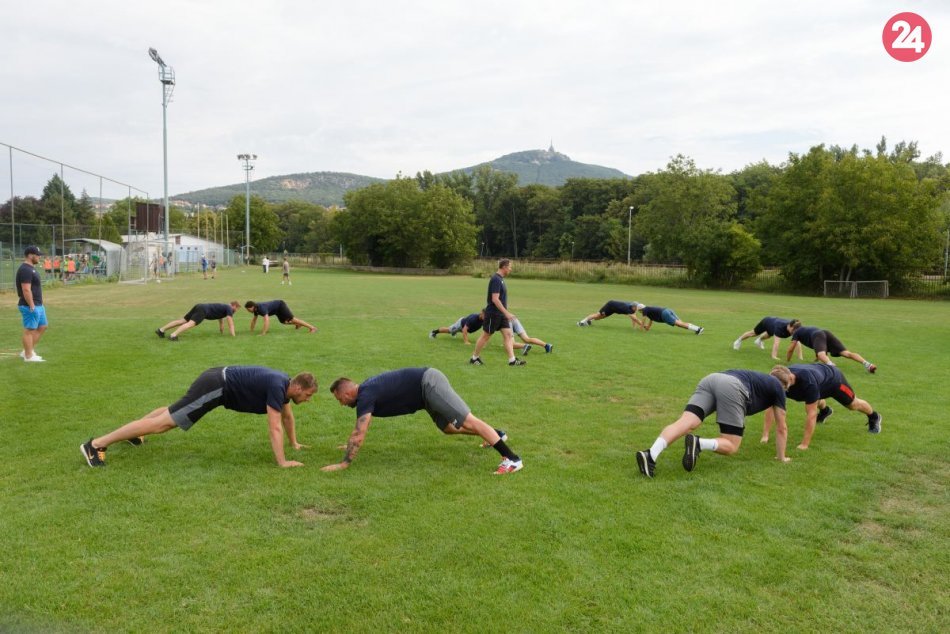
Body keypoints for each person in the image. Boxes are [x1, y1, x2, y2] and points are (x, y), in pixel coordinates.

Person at [80, 366, 317, 468]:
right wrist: (282, 462)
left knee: (172, 411)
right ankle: (96, 444)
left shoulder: (283, 385)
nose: (307, 400)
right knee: (164, 424)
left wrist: (294, 443)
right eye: (307, 395)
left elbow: (287, 418)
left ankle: (135, 434)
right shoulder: (278, 386)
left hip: (216, 379)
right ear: (297, 387)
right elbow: (274, 426)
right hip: (217, 385)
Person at [321, 367, 523, 474]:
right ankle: (496, 435)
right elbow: (360, 431)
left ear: (347, 392)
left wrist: (344, 464)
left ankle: (512, 459)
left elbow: (360, 432)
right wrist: (350, 445)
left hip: (429, 383)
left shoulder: (365, 395)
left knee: (467, 421)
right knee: (448, 428)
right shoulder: (366, 391)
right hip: (424, 396)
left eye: (340, 400)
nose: (341, 404)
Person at [635, 369, 791, 478]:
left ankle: (651, 454)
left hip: (712, 379)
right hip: (732, 387)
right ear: (784, 386)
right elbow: (781, 427)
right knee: (731, 444)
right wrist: (781, 457)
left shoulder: (759, 378)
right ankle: (699, 443)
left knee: (686, 422)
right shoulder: (778, 388)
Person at [766, 364, 882, 449]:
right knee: (813, 398)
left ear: (791, 378)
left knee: (853, 405)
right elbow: (771, 406)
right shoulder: (781, 375)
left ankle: (874, 417)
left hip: (834, 381)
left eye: (783, 387)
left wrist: (804, 444)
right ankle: (825, 411)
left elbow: (811, 414)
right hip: (819, 381)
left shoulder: (808, 383)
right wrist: (765, 436)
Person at [469, 259, 525, 366]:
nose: (511, 269)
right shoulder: (496, 279)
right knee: (486, 336)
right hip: (493, 314)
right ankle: (474, 358)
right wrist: (507, 313)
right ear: (504, 267)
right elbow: (495, 299)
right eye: (510, 267)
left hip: (501, 314)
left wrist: (505, 313)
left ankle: (512, 360)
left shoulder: (501, 279)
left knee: (508, 335)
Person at [786, 323, 876, 373]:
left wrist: (788, 361)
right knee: (846, 353)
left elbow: (791, 349)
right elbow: (819, 345)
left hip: (818, 335)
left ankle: (832, 367)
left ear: (793, 329)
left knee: (821, 354)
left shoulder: (796, 332)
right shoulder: (807, 329)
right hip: (825, 332)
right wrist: (816, 359)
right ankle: (868, 364)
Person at [16, 245, 48, 362]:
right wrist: (31, 305)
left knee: (42, 326)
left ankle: (27, 351)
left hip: (38, 305)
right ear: (30, 255)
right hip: (29, 305)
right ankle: (28, 356)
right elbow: (26, 289)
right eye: (37, 255)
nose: (39, 257)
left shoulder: (31, 269)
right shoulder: (25, 269)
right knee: (29, 330)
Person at [155, 301, 241, 341]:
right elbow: (230, 323)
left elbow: (220, 319)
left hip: (200, 306)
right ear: (234, 306)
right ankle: (173, 335)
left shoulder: (224, 307)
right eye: (237, 309)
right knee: (191, 323)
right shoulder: (229, 308)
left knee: (183, 320)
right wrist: (233, 336)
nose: (236, 311)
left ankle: (161, 330)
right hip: (204, 310)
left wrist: (221, 329)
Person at [733, 317, 803, 360]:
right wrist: (774, 356)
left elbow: (797, 342)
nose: (793, 333)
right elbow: (776, 343)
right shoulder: (780, 327)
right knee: (753, 333)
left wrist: (800, 358)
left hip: (772, 326)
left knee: (769, 335)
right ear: (789, 326)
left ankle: (759, 340)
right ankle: (738, 341)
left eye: (795, 331)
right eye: (792, 330)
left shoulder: (795, 328)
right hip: (767, 322)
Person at [244, 299, 317, 334]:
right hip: (276, 310)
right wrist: (251, 330)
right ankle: (298, 324)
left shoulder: (261, 308)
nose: (248, 311)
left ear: (252, 307)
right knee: (284, 322)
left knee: (292, 319)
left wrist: (263, 333)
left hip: (280, 305)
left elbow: (266, 320)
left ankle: (312, 328)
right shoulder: (255, 310)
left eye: (248, 309)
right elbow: (254, 320)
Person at [638, 305, 704, 335]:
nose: (640, 312)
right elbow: (651, 320)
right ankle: (697, 329)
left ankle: (698, 329)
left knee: (680, 324)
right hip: (667, 310)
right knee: (680, 324)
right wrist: (648, 327)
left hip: (664, 314)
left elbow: (643, 319)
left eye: (639, 311)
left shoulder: (645, 310)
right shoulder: (649, 311)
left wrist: (641, 327)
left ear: (641, 309)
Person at [577, 300, 645, 328]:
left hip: (613, 310)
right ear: (633, 306)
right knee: (598, 315)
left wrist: (634, 328)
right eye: (637, 307)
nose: (638, 309)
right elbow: (635, 319)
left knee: (601, 317)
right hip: (610, 305)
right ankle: (581, 322)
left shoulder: (632, 309)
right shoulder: (628, 308)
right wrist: (644, 326)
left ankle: (589, 321)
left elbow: (634, 318)